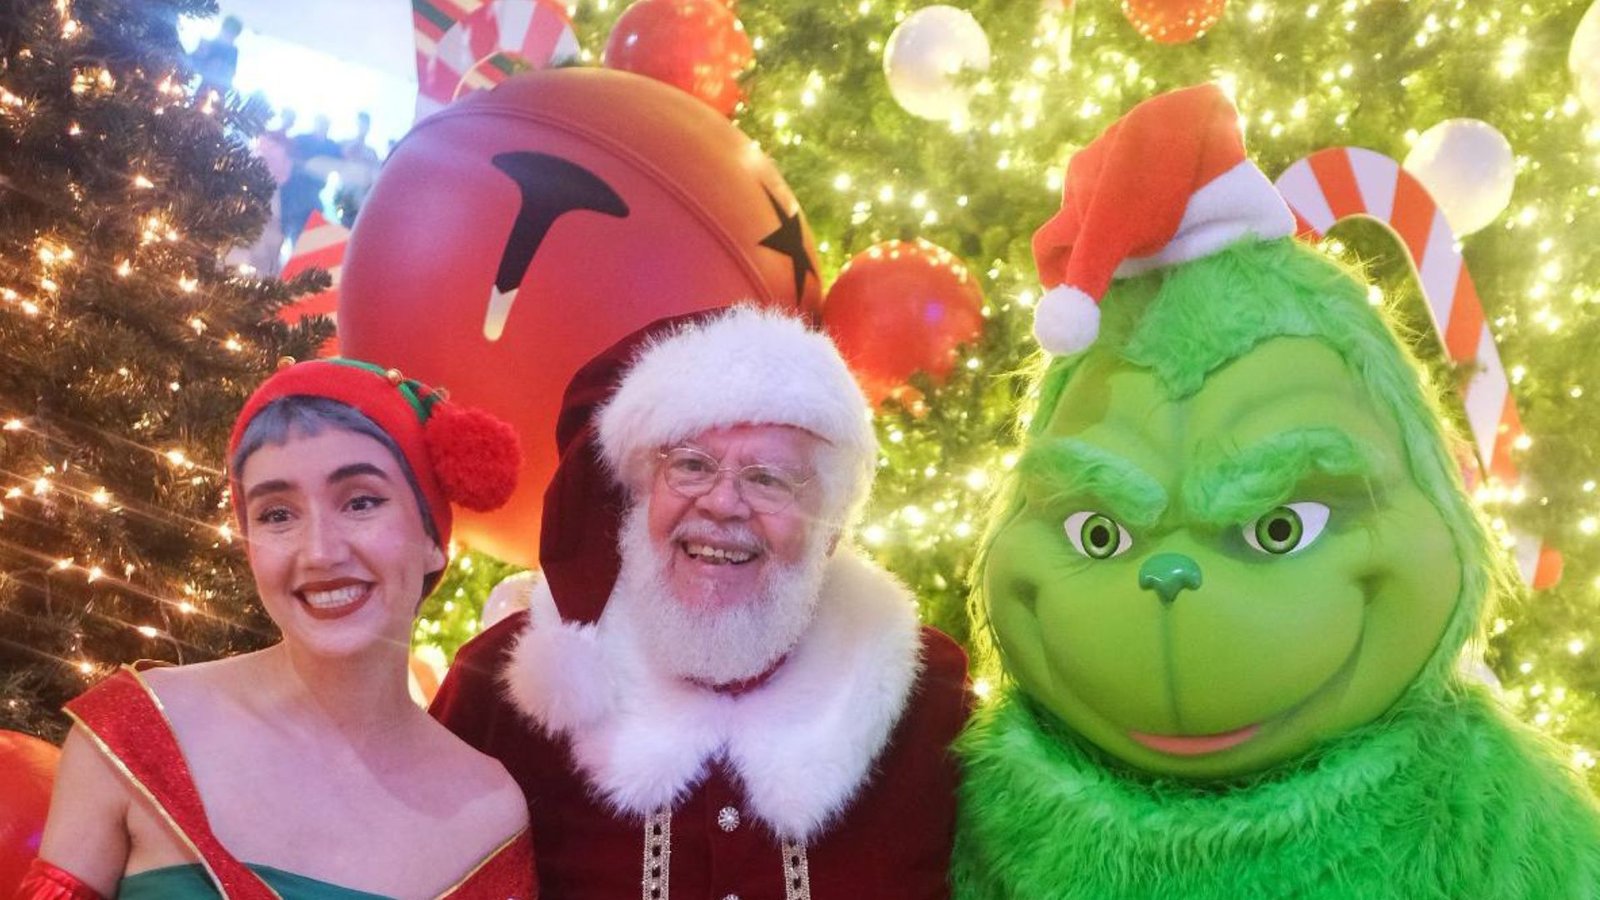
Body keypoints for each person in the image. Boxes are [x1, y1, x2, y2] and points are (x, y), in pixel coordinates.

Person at [433, 306, 971, 899]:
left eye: (769, 479)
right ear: (639, 498)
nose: (722, 503)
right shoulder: (499, 690)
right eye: (690, 466)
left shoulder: (930, 701)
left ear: (833, 525)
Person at [21, 359, 537, 900]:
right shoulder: (135, 731)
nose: (319, 552)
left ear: (434, 539)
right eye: (276, 515)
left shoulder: (491, 816)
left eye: (361, 502)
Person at [280, 115, 343, 247]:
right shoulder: (302, 140)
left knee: (307, 238)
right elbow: (288, 157)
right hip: (292, 193)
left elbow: (341, 164)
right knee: (283, 233)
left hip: (312, 197)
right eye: (321, 124)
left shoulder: (331, 147)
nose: (323, 128)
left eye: (325, 125)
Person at [189, 15, 242, 96]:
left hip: (217, 89)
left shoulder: (232, 52)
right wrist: (199, 55)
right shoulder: (210, 44)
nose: (228, 36)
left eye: (231, 34)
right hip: (202, 85)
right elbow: (193, 62)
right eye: (227, 31)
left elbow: (230, 72)